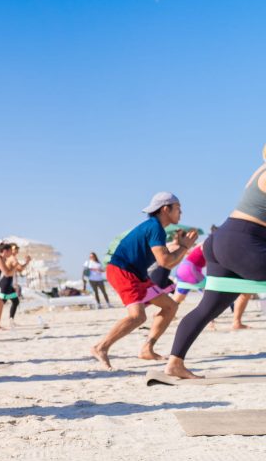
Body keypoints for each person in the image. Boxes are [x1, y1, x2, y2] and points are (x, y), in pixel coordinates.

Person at [165, 148, 266, 379]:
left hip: (225, 238)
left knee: (210, 306)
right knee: (209, 307)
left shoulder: (260, 169)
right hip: (244, 240)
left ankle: (175, 363)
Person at [92, 192, 196, 370]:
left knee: (170, 306)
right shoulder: (154, 227)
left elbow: (168, 263)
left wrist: (181, 248)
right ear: (165, 209)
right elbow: (165, 261)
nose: (181, 212)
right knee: (137, 316)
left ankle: (147, 348)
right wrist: (184, 247)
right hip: (121, 271)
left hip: (138, 274)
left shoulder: (155, 227)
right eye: (178, 208)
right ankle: (101, 347)